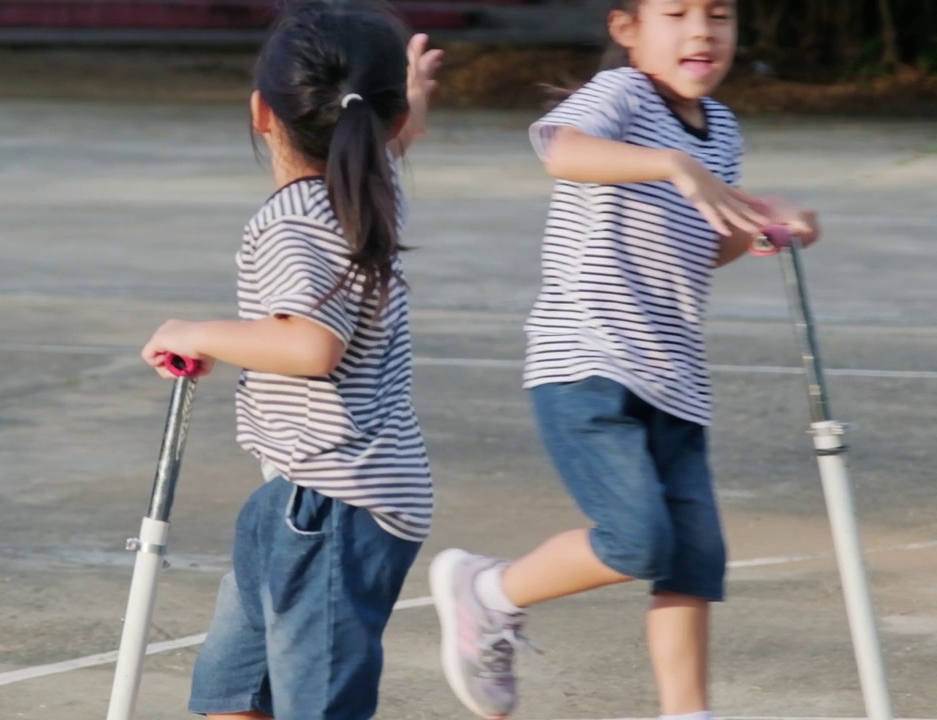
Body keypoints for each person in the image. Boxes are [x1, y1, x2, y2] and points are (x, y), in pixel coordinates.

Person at [428, 1, 821, 719]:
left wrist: (765, 226)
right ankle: (487, 592)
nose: (702, 31)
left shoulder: (722, 127)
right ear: (627, 29)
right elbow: (562, 151)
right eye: (676, 13)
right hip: (588, 360)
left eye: (720, 14)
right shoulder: (623, 96)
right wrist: (672, 164)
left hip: (674, 377)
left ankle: (686, 712)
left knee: (694, 561)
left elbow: (704, 242)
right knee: (638, 538)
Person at [139, 1, 443, 717]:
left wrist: (195, 331)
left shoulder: (293, 221)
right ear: (387, 122)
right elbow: (390, 135)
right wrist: (415, 96)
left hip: (332, 504)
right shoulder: (364, 191)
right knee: (230, 691)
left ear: (260, 112)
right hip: (301, 493)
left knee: (315, 704)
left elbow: (309, 344)